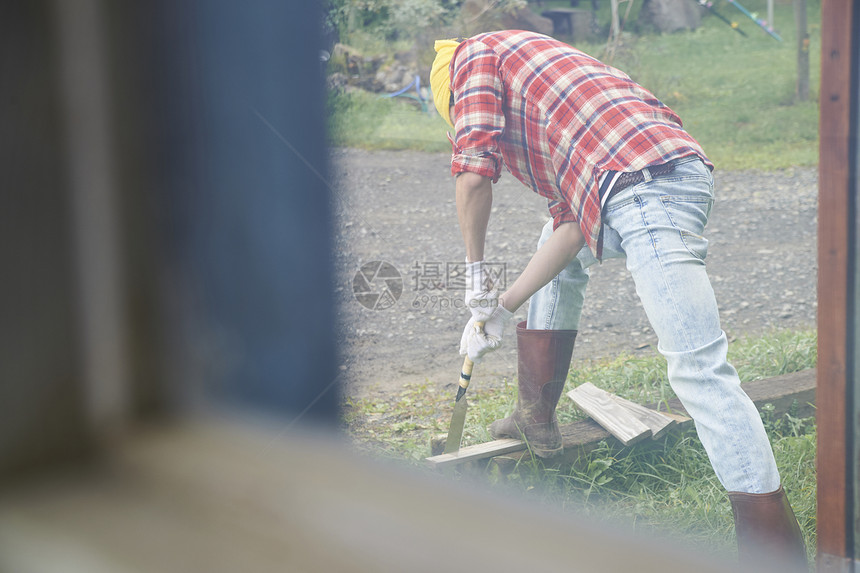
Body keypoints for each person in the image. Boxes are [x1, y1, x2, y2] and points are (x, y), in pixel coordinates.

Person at [429, 30, 806, 568]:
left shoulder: (471, 59)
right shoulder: (554, 89)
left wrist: (474, 276)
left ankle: (774, 551)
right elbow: (571, 227)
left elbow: (472, 172)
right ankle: (535, 417)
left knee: (699, 370)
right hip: (661, 173)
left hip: (646, 190)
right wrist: (501, 307)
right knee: (553, 247)